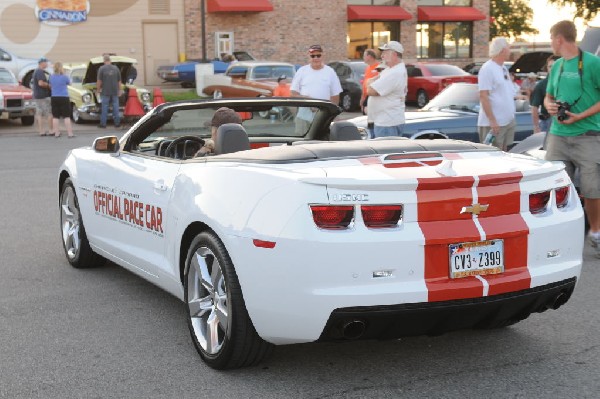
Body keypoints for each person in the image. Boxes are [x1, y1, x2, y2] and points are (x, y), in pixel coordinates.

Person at [543, 20, 600, 256]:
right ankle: (559, 234)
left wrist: (580, 116)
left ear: (559, 39)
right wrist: (550, 107)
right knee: (553, 187)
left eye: (551, 39)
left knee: (591, 188)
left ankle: (596, 233)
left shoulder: (592, 63)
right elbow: (548, 97)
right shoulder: (556, 66)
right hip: (558, 136)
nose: (551, 44)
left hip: (587, 135)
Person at [290, 44, 342, 134]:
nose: (315, 58)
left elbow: (335, 96)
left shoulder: (330, 72)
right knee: (300, 143)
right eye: (313, 56)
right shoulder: (302, 71)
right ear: (309, 57)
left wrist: (332, 113)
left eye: (318, 55)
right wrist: (306, 99)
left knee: (321, 143)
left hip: (323, 116)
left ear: (322, 56)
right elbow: (293, 93)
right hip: (304, 115)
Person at [477, 37, 516, 150]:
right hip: (495, 123)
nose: (510, 50)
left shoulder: (503, 68)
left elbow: (507, 92)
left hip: (507, 121)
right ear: (502, 50)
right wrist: (492, 120)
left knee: (505, 154)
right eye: (508, 48)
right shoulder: (487, 69)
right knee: (492, 156)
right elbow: (483, 96)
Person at [366, 41, 407, 137]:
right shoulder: (391, 70)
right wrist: (370, 82)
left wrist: (369, 83)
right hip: (385, 121)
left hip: (387, 123)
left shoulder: (395, 73)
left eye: (385, 52)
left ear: (395, 54)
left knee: (385, 150)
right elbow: (371, 82)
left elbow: (371, 91)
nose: (382, 55)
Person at [530, 55, 559, 134]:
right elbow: (534, 107)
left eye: (555, 66)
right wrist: (536, 127)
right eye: (550, 67)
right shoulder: (541, 85)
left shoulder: (568, 83)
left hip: (564, 121)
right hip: (547, 122)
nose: (552, 69)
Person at [48, 62, 74, 138]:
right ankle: (70, 133)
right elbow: (70, 83)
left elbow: (50, 86)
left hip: (54, 97)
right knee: (66, 116)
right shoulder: (64, 77)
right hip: (64, 97)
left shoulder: (51, 77)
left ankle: (56, 133)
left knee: (55, 116)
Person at [97, 54, 122, 128]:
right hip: (115, 91)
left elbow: (99, 81)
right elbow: (119, 81)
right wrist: (119, 90)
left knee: (104, 107)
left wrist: (98, 90)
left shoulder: (101, 68)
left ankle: (103, 124)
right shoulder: (116, 68)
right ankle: (117, 123)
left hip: (105, 91)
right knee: (116, 108)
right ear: (110, 60)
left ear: (104, 61)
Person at [31, 57, 52, 136]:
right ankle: (50, 130)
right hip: (43, 95)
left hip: (37, 95)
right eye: (46, 62)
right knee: (49, 113)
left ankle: (41, 131)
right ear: (42, 63)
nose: (46, 64)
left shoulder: (36, 71)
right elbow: (40, 83)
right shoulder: (40, 71)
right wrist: (49, 85)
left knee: (39, 113)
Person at [360, 49, 379, 114]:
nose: (363, 58)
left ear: (369, 56)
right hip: (366, 96)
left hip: (373, 97)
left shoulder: (379, 68)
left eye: (364, 56)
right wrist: (362, 97)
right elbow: (365, 83)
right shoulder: (367, 68)